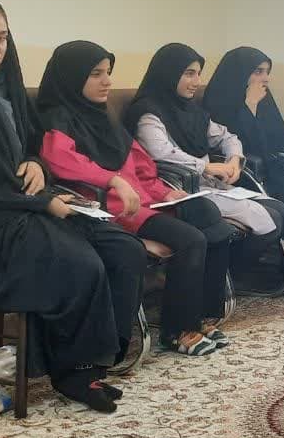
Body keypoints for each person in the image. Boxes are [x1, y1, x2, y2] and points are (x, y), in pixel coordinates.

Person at [0, 0, 143, 412]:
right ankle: (73, 372)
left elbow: (30, 146)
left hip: (18, 206)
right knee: (78, 263)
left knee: (123, 249)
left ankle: (97, 361)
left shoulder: (6, 89)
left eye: (1, 37)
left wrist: (36, 163)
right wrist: (43, 204)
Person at [38, 40, 237, 356]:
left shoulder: (104, 117)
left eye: (108, 72)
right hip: (113, 208)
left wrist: (164, 191)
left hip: (143, 201)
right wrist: (112, 179)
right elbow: (62, 161)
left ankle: (202, 314)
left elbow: (140, 167)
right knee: (191, 239)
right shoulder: (56, 118)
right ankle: (177, 330)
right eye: (96, 74)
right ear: (72, 77)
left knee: (212, 220)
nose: (107, 81)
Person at [125, 43, 284, 282]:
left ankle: (228, 276)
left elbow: (226, 136)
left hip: (209, 184)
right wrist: (207, 166)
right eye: (189, 74)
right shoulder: (147, 112)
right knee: (271, 221)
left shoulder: (191, 110)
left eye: (198, 74)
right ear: (169, 73)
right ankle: (227, 277)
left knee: (282, 212)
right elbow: (161, 153)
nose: (196, 82)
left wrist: (234, 160)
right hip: (180, 188)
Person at [202, 46, 284, 290]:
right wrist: (249, 107)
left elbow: (279, 140)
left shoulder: (265, 99)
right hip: (248, 174)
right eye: (258, 71)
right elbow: (246, 146)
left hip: (275, 166)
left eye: (267, 72)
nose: (265, 78)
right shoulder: (219, 101)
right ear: (240, 73)